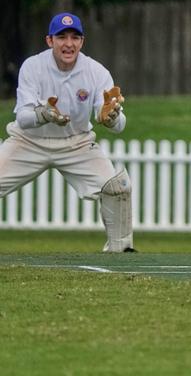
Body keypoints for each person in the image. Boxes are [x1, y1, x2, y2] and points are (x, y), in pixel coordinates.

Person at [0, 13, 135, 252]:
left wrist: (111, 118)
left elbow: (119, 124)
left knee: (116, 188)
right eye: (61, 37)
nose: (68, 44)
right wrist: (44, 114)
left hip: (76, 143)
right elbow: (23, 117)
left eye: (75, 37)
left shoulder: (96, 72)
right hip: (28, 142)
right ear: (49, 41)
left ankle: (120, 251)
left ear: (82, 42)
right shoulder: (33, 66)